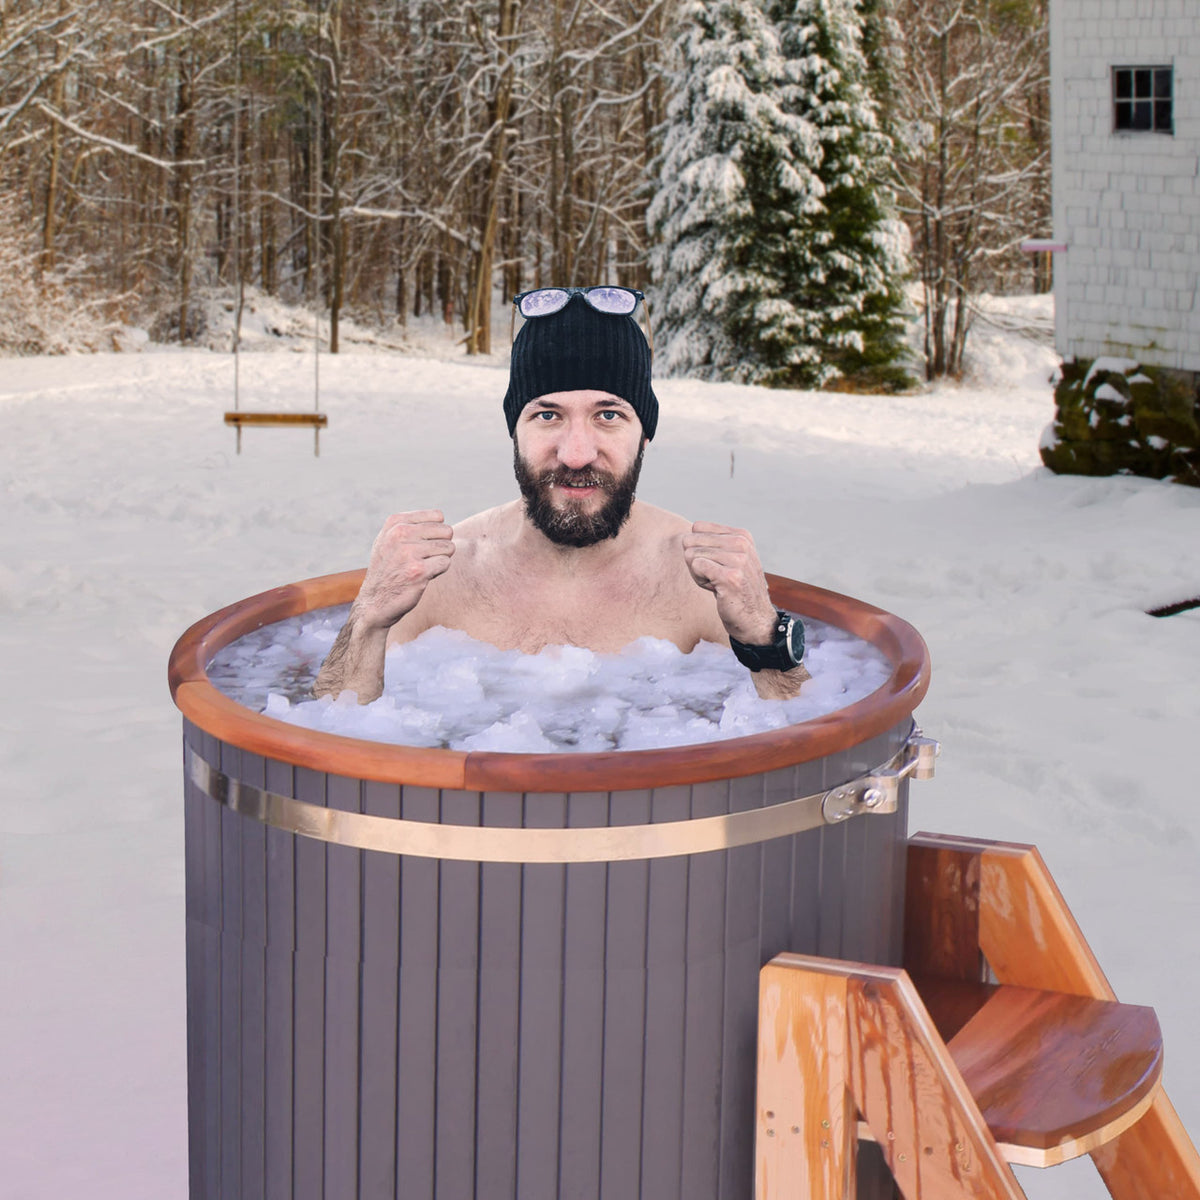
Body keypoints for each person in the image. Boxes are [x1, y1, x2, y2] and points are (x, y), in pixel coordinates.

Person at [314, 286, 808, 704]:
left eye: (608, 415)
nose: (575, 454)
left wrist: (763, 635)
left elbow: (805, 734)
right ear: (515, 432)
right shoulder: (442, 574)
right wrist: (367, 618)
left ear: (646, 435)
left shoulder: (697, 582)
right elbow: (327, 727)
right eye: (547, 415)